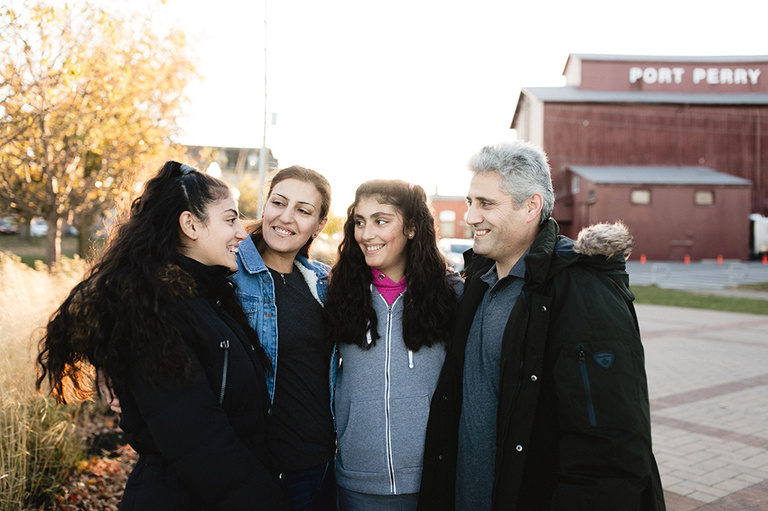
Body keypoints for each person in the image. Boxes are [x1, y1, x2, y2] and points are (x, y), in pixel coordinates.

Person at [418, 141, 666, 510]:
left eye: (486, 204)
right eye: (471, 202)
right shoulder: (478, 282)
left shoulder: (583, 290)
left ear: (531, 206)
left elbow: (611, 449)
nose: (470, 217)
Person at [36, 161, 290, 510]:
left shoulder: (204, 297)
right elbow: (199, 442)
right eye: (230, 219)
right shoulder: (157, 313)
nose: (241, 232)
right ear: (190, 225)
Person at [324, 180, 463, 511]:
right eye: (360, 221)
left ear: (412, 228)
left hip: (432, 478)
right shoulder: (338, 294)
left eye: (381, 221)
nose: (366, 233)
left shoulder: (451, 296)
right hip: (358, 480)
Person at [230, 165, 337, 511]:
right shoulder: (231, 273)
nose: (286, 218)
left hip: (322, 465)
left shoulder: (324, 283)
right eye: (279, 202)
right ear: (265, 205)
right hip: (261, 468)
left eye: (303, 211)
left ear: (319, 225)